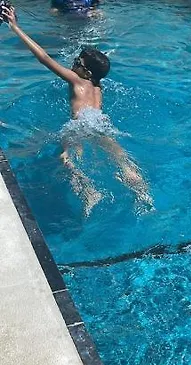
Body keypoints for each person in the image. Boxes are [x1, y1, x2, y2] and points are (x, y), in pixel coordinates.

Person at [2, 5, 153, 215]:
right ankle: (141, 191)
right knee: (121, 158)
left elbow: (44, 57)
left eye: (77, 62)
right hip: (100, 123)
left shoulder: (76, 81)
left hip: (79, 125)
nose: (73, 64)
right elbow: (99, 63)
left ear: (86, 72)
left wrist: (15, 27)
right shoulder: (98, 86)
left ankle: (89, 192)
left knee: (66, 158)